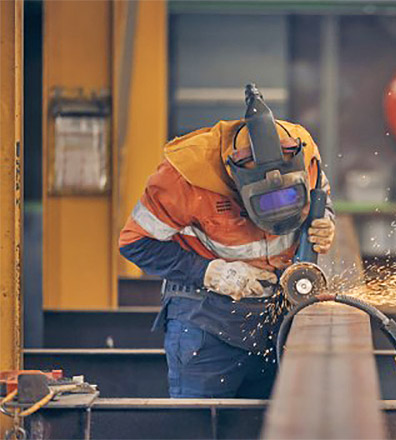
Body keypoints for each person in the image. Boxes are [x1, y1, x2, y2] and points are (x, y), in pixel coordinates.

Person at [118, 85, 335, 398]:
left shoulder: (303, 148)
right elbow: (134, 243)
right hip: (206, 323)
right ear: (236, 182)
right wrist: (210, 272)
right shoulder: (185, 175)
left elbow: (322, 195)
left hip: (278, 318)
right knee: (202, 428)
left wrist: (325, 222)